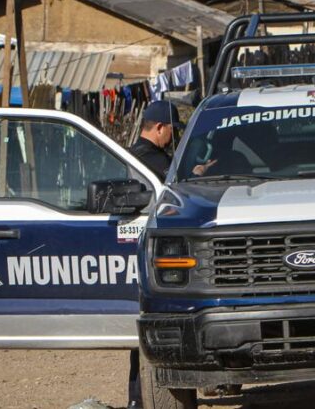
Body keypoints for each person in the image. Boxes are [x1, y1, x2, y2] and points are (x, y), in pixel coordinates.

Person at [125, 100, 179, 408]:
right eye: (172, 131)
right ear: (159, 128)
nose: (173, 138)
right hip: (155, 255)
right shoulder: (153, 162)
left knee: (140, 340)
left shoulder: (132, 156)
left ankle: (136, 400)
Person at [129, 100, 179, 181]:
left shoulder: (130, 154)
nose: (176, 135)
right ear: (160, 128)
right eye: (173, 129)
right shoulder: (161, 162)